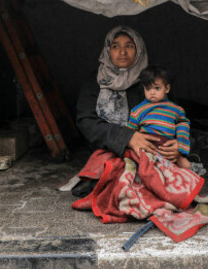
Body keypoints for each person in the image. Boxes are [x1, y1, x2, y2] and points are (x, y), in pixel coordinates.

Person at [75, 26, 181, 164]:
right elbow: (86, 122)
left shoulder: (153, 80)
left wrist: (179, 144)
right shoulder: (96, 81)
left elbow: (176, 118)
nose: (122, 52)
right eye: (115, 46)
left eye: (129, 46)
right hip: (108, 152)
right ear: (108, 51)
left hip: (153, 152)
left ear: (139, 49)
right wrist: (127, 138)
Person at [127, 65, 192, 170]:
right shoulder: (137, 110)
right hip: (147, 145)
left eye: (157, 88)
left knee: (186, 165)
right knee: (142, 166)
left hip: (167, 146)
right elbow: (131, 132)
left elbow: (183, 125)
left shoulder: (176, 109)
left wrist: (181, 145)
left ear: (167, 88)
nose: (152, 92)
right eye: (148, 88)